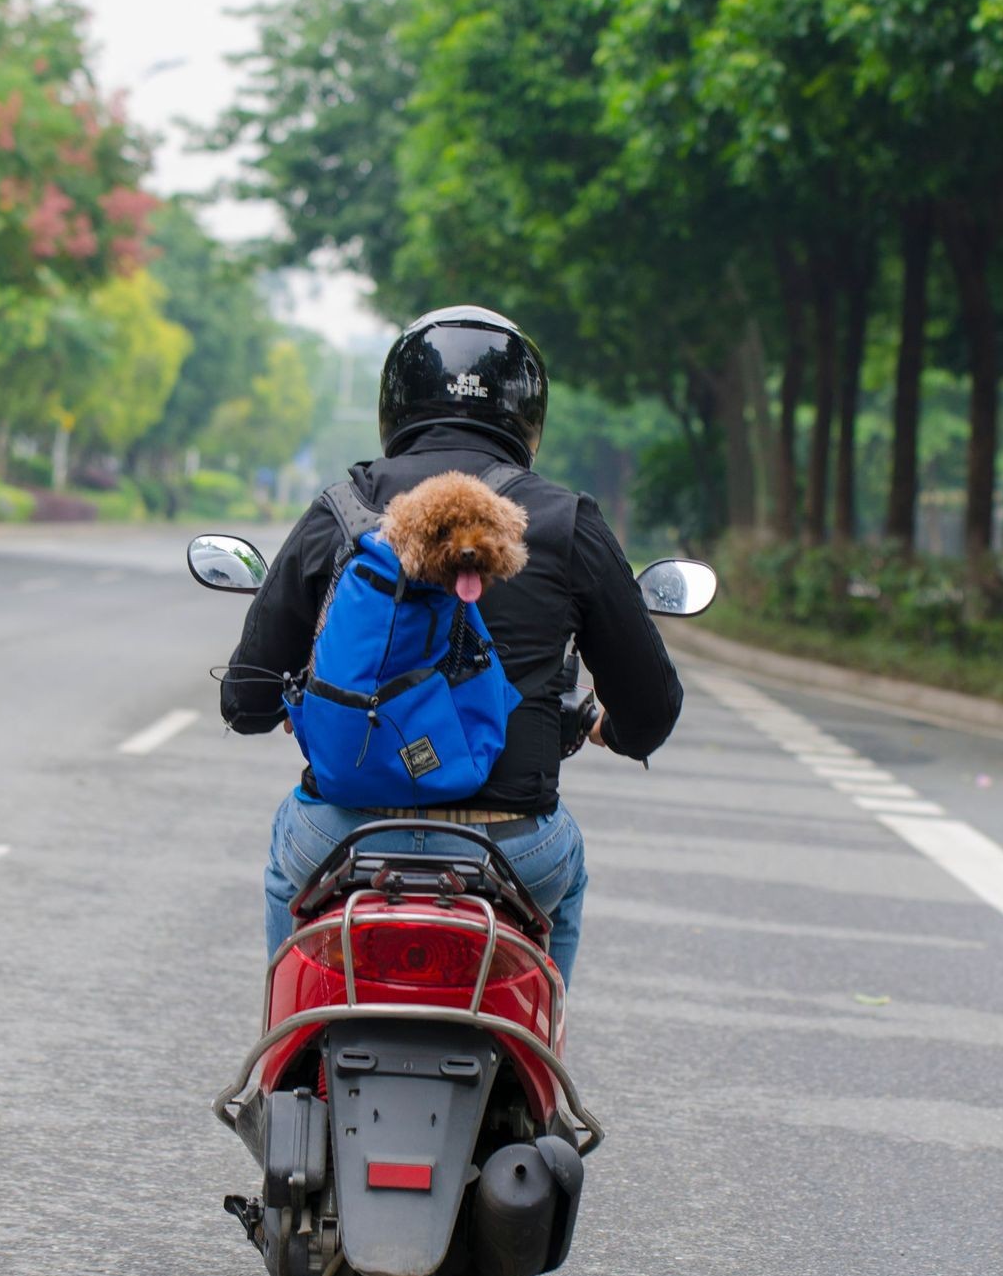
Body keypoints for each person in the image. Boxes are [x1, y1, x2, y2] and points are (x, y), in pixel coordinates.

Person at [219, 304, 683, 986]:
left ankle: (282, 1054)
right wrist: (614, 727)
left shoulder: (343, 508)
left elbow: (246, 699)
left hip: (343, 839)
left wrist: (294, 701)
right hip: (511, 849)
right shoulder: (565, 519)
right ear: (529, 412)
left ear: (395, 403)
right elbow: (652, 709)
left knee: (285, 854)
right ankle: (538, 1067)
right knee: (568, 876)